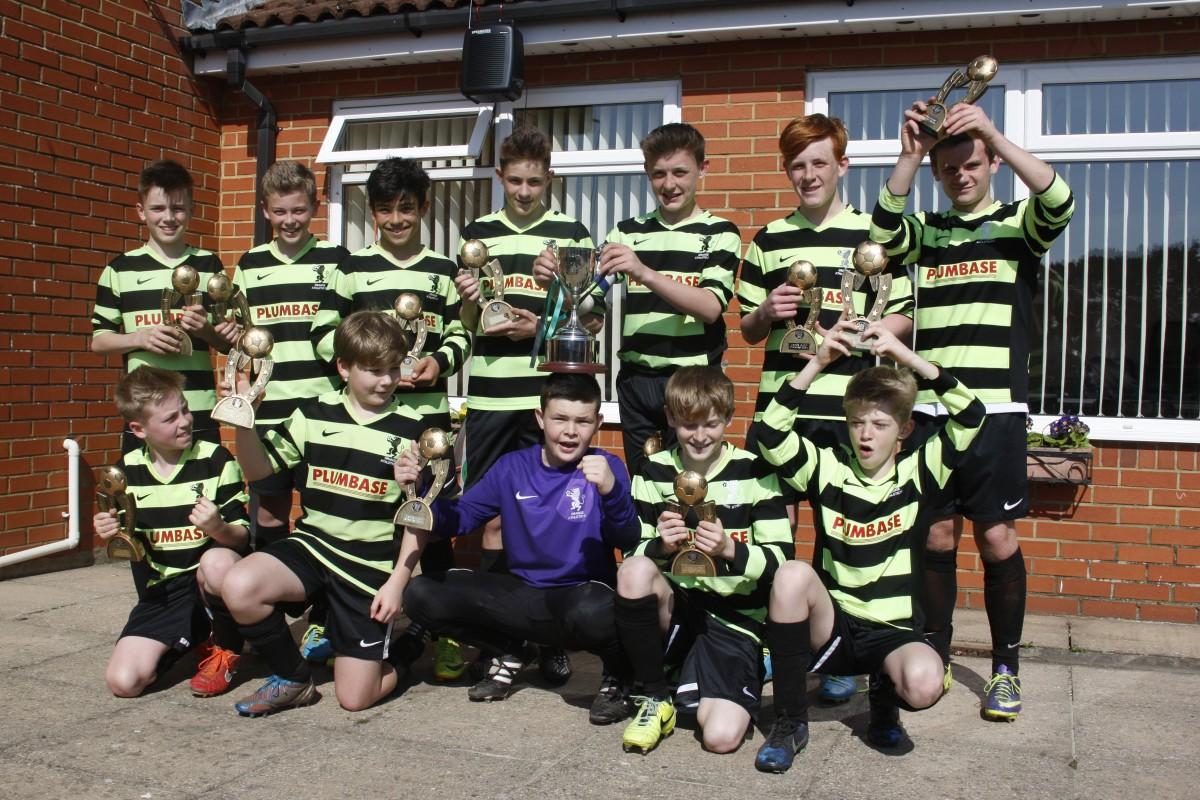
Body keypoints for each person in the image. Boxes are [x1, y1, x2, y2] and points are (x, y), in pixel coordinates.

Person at [870, 101, 1074, 721]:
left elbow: (1059, 198)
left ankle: (1006, 667)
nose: (961, 174)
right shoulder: (927, 233)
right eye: (949, 167)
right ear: (938, 173)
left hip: (996, 413)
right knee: (934, 534)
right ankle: (935, 649)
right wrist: (910, 153)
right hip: (929, 412)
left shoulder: (1017, 224)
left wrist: (992, 131)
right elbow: (881, 237)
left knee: (996, 537)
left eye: (972, 163)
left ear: (988, 165)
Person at [752, 318, 985, 772]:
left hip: (892, 632)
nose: (865, 434)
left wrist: (905, 357)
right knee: (792, 574)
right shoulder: (826, 467)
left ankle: (884, 703)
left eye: (880, 424)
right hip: (834, 625)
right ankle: (790, 723)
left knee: (924, 683)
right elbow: (770, 433)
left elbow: (972, 414)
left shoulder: (922, 471)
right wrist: (817, 362)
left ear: (904, 430)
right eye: (857, 422)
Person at [738, 113, 914, 704]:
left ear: (843, 164)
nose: (808, 175)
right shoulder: (767, 240)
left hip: (849, 410)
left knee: (841, 533)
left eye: (819, 163)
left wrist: (865, 333)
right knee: (776, 529)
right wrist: (769, 307)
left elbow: (904, 314)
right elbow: (747, 329)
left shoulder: (875, 236)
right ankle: (774, 643)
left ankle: (838, 649)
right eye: (797, 165)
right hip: (783, 409)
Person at [220, 311, 441, 716]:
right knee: (238, 584)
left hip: (366, 567)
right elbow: (258, 471)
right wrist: (243, 418)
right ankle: (293, 678)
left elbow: (418, 515)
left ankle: (408, 647)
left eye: (394, 368)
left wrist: (398, 582)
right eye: (374, 370)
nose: (387, 380)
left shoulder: (417, 428)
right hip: (313, 546)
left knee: (355, 700)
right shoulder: (311, 414)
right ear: (343, 367)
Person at [398, 373, 640, 724]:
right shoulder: (513, 466)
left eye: (582, 421)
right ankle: (511, 649)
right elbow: (462, 518)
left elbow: (628, 538)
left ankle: (616, 680)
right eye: (559, 419)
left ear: (597, 423)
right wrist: (421, 493)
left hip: (579, 597)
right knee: (421, 593)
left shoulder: (606, 466)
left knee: (596, 610)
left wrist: (611, 491)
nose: (570, 431)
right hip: (522, 596)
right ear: (540, 418)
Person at [308, 157, 471, 675]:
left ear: (424, 207)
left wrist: (437, 362)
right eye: (385, 209)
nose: (396, 218)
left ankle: (442, 630)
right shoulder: (351, 268)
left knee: (434, 523)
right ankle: (327, 616)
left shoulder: (444, 271)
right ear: (371, 211)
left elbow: (462, 334)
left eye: (406, 207)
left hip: (425, 421)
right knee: (354, 517)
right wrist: (358, 374)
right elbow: (321, 335)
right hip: (364, 419)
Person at [453, 126, 594, 684]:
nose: (525, 190)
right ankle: (503, 642)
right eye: (515, 180)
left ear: (550, 178)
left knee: (555, 524)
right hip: (490, 394)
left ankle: (552, 638)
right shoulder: (478, 234)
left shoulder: (571, 234)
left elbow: (593, 320)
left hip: (548, 399)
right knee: (490, 525)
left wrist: (547, 318)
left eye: (535, 180)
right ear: (500, 178)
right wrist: (468, 306)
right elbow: (465, 325)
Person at [535, 122, 741, 477]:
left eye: (680, 172)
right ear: (647, 172)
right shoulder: (626, 232)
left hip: (692, 381)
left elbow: (710, 307)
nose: (669, 184)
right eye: (658, 174)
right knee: (643, 485)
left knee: (691, 483)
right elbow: (591, 312)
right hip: (636, 382)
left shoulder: (720, 232)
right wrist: (559, 284)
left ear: (702, 170)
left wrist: (643, 272)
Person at [617, 366, 793, 755]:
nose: (699, 436)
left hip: (737, 618)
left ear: (729, 418)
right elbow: (631, 552)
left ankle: (754, 663)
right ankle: (654, 697)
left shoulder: (756, 469)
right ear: (670, 419)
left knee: (720, 739)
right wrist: (661, 547)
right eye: (687, 425)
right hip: (678, 609)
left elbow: (782, 560)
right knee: (634, 571)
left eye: (711, 424)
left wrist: (730, 549)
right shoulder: (653, 470)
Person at [233, 160, 351, 666]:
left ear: (315, 208)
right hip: (270, 414)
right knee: (268, 514)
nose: (289, 220)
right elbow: (239, 336)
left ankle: (324, 617)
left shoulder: (337, 259)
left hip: (323, 414)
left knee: (326, 515)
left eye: (299, 210)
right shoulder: (249, 264)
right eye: (279, 211)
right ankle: (274, 616)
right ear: (265, 211)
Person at [96, 366, 249, 699]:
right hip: (162, 593)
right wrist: (110, 530)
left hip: (208, 585)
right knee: (124, 683)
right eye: (170, 419)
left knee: (218, 561)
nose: (184, 421)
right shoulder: (126, 472)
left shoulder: (217, 460)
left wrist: (217, 527)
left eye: (185, 410)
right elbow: (128, 540)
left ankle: (225, 646)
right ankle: (193, 637)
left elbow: (242, 539)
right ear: (138, 428)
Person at [92, 160, 237, 451]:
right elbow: (99, 341)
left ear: (192, 211)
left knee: (204, 492)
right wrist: (139, 338)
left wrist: (205, 329)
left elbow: (228, 343)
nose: (168, 218)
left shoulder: (209, 265)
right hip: (144, 411)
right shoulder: (119, 270)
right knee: (146, 493)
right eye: (158, 209)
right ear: (141, 212)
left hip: (197, 408)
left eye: (178, 208)